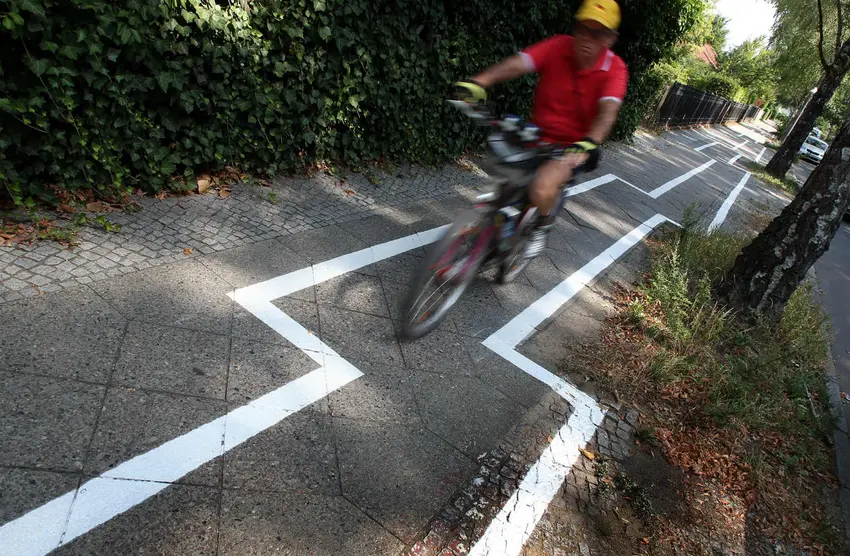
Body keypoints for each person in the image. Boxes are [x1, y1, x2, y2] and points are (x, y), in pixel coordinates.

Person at [454, 0, 628, 257]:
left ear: (610, 39)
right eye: (583, 28)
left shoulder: (615, 69)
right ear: (575, 28)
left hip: (574, 147)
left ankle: (542, 225)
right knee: (500, 166)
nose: (587, 38)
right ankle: (498, 225)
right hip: (537, 133)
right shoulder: (558, 46)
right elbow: (518, 64)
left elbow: (608, 111)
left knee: (541, 186)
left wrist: (590, 142)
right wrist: (479, 82)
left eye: (598, 33)